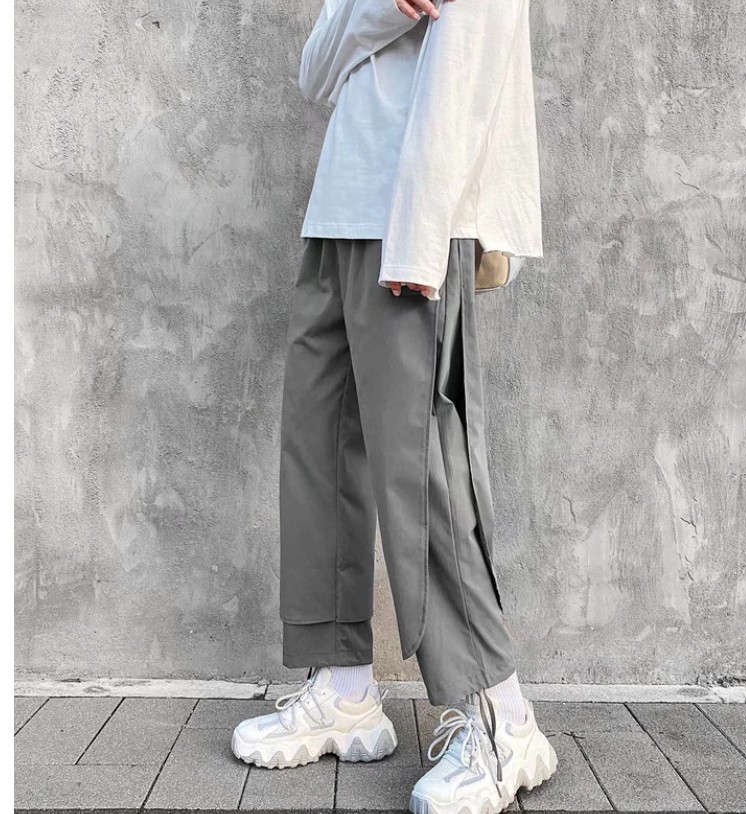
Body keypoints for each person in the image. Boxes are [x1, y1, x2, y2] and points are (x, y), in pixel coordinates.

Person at [232, 1, 558, 811]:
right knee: (316, 451)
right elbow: (316, 71)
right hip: (338, 213)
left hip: (415, 217)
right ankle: (344, 689)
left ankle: (502, 720)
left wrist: (421, 233)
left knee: (423, 472)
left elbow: (470, 68)